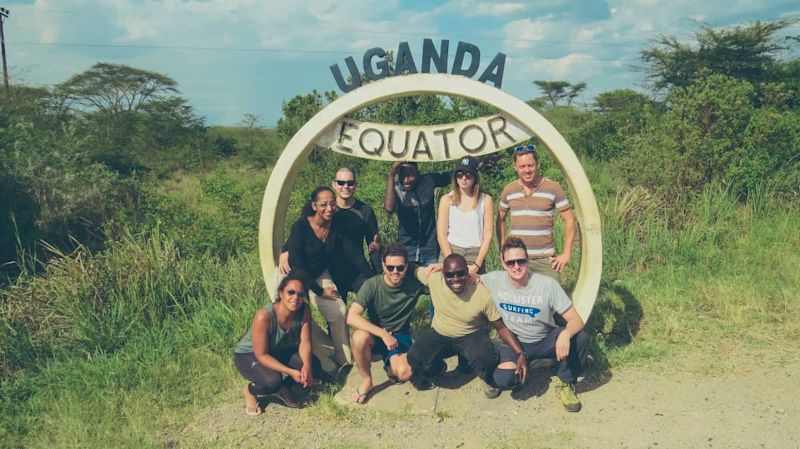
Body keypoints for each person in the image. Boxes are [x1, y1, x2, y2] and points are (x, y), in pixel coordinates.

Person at [481, 237, 589, 412]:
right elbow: (468, 277)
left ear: (528, 260)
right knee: (503, 380)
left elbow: (576, 320)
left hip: (544, 339)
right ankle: (524, 369)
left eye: (521, 261)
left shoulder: (547, 285)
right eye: (510, 262)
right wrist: (440, 268)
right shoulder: (494, 280)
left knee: (580, 339)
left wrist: (565, 334)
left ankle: (566, 382)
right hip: (515, 343)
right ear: (503, 263)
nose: (516, 266)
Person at [407, 254, 527, 398]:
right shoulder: (434, 279)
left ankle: (487, 377)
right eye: (450, 275)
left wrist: (520, 353)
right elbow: (412, 268)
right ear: (443, 274)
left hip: (471, 334)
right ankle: (439, 368)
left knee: (485, 358)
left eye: (461, 273)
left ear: (467, 272)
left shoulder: (482, 294)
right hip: (440, 333)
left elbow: (500, 327)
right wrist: (379, 252)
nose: (456, 279)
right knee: (414, 357)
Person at [286, 186, 372, 368]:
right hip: (293, 276)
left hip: (319, 274)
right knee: (294, 316)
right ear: (314, 206)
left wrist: (373, 280)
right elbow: (296, 263)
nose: (329, 208)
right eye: (323, 204)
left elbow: (354, 254)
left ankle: (345, 362)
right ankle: (312, 360)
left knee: (339, 311)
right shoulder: (301, 227)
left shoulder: (335, 226)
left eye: (332, 204)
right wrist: (318, 291)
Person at [346, 243, 426, 403]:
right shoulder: (372, 285)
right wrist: (382, 333)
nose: (395, 272)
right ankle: (366, 380)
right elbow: (351, 317)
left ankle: (391, 368)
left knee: (404, 373)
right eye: (390, 267)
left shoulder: (414, 284)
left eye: (400, 268)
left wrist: (430, 270)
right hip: (375, 333)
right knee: (358, 337)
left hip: (399, 335)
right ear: (383, 265)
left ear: (406, 266)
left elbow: (443, 281)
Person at [234, 273, 320, 415]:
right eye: (291, 292)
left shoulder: (304, 309)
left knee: (313, 365)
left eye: (300, 294)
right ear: (281, 293)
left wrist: (306, 366)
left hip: (277, 350)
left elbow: (305, 341)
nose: (295, 298)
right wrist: (290, 372)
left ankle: (283, 388)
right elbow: (262, 355)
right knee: (271, 381)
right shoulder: (264, 316)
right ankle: (251, 390)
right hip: (250, 355)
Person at [496, 144, 576, 281]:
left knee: (551, 299)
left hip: (544, 261)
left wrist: (566, 253)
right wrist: (503, 251)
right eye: (522, 166)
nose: (526, 170)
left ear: (536, 165)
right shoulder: (509, 190)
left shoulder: (553, 188)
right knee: (519, 300)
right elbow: (500, 219)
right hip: (516, 260)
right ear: (515, 167)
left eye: (530, 165)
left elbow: (570, 220)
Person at [280, 167, 381, 275]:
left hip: (356, 269)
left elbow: (373, 247)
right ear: (334, 184)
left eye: (350, 183)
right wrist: (285, 251)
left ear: (355, 185)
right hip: (328, 270)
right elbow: (301, 231)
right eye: (341, 183)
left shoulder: (365, 211)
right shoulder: (324, 210)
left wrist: (378, 275)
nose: (345, 186)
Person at [384, 161, 451, 266]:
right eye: (402, 175)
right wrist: (391, 175)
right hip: (407, 250)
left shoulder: (428, 181)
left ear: (418, 173)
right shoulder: (396, 190)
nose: (406, 180)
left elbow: (451, 176)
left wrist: (477, 165)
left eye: (410, 175)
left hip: (430, 249)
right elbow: (389, 208)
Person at [436, 156, 494, 275]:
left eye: (468, 174)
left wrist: (477, 264)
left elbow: (488, 235)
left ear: (475, 177)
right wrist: (451, 259)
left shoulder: (486, 200)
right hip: (451, 250)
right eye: (460, 174)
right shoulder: (446, 199)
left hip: (475, 254)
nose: (463, 178)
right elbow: (441, 234)